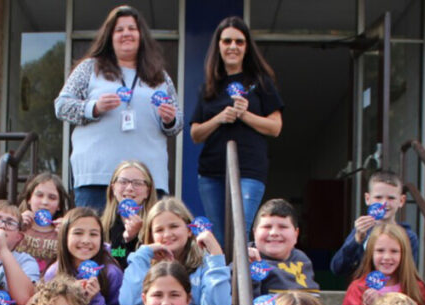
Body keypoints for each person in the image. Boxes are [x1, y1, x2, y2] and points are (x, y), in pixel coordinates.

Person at [54, 5, 181, 211]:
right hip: (97, 177)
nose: (126, 34)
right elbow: (61, 106)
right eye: (119, 29)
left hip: (147, 181)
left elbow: (178, 122)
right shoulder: (89, 68)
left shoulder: (159, 76)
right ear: (109, 36)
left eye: (132, 28)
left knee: (145, 241)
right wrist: (93, 108)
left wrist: (170, 120)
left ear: (141, 36)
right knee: (95, 240)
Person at [190, 16, 283, 243]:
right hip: (211, 171)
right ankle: (226, 278)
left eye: (239, 42)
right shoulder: (209, 86)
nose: (233, 46)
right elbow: (195, 134)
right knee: (220, 239)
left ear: (247, 47)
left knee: (240, 232)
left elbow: (275, 127)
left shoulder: (261, 82)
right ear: (218, 46)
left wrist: (245, 115)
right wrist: (220, 118)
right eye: (227, 41)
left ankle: (240, 278)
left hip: (249, 168)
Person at [119, 196, 232, 305]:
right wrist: (143, 254)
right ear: (151, 236)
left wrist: (216, 255)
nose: (167, 234)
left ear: (189, 230)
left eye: (174, 226)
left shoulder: (204, 262)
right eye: (159, 230)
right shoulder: (143, 261)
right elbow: (129, 304)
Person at [41, 206, 124, 305]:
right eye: (78, 233)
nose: (86, 240)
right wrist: (70, 299)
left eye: (93, 234)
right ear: (65, 237)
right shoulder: (54, 272)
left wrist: (96, 299)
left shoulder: (112, 272)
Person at [340, 223, 425, 305]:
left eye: (394, 251)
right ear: (371, 253)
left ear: (404, 254)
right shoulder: (358, 287)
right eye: (380, 251)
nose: (387, 257)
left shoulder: (416, 288)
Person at [330, 170, 420, 279]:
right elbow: (337, 268)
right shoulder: (361, 232)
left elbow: (409, 275)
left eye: (391, 198)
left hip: (393, 293)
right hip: (361, 293)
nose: (384, 204)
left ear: (401, 200)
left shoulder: (408, 236)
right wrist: (356, 240)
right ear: (367, 199)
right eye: (378, 197)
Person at [248, 198, 320, 297]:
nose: (274, 233)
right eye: (267, 227)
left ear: (296, 234)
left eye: (283, 227)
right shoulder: (245, 259)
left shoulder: (302, 259)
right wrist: (248, 268)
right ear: (254, 233)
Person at [102, 160, 155, 263]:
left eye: (137, 183)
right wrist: (126, 240)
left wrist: (131, 240)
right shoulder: (101, 226)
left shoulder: (156, 226)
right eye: (123, 182)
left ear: (147, 192)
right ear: (113, 188)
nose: (130, 188)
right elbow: (114, 260)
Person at [17, 172, 70, 274]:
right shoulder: (16, 225)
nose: (45, 202)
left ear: (59, 205)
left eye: (52, 197)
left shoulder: (63, 231)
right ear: (29, 199)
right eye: (39, 195)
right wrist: (15, 226)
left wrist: (67, 235)